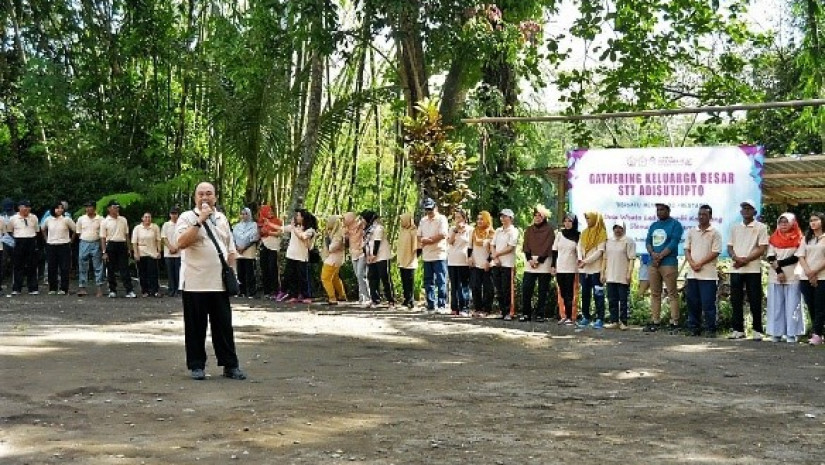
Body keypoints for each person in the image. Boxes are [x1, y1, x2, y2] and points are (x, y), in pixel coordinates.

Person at [176, 182, 245, 380]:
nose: (205, 197)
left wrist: (233, 276)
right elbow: (181, 243)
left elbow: (230, 249)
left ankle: (230, 365)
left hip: (219, 283)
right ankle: (197, 366)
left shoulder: (222, 218)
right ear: (195, 197)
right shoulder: (186, 218)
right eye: (201, 194)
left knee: (223, 326)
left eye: (209, 194)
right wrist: (200, 221)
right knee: (196, 327)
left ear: (215, 197)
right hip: (195, 282)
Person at [727, 199, 768, 340]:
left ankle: (757, 330)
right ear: (740, 211)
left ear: (754, 212)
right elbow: (730, 247)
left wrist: (745, 260)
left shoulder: (761, 227)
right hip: (736, 268)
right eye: (744, 208)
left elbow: (762, 248)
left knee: (755, 299)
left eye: (749, 208)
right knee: (736, 300)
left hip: (753, 269)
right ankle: (738, 329)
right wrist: (735, 257)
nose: (746, 210)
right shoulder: (734, 227)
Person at [644, 202, 684, 333]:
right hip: (653, 263)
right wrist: (652, 254)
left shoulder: (675, 225)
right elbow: (648, 242)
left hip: (668, 263)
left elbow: (673, 242)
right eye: (657, 210)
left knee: (672, 293)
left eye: (662, 210)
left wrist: (660, 256)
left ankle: (674, 321)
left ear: (668, 210)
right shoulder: (654, 225)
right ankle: (655, 321)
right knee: (655, 293)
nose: (659, 212)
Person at [765, 212, 805, 343]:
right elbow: (770, 256)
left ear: (793, 223)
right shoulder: (773, 238)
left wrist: (779, 264)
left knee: (793, 305)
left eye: (786, 222)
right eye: (781, 222)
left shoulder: (800, 238)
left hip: (793, 274)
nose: (783, 224)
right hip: (776, 275)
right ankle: (776, 333)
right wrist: (779, 271)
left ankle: (792, 334)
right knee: (776, 305)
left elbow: (797, 256)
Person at [684, 205, 722, 337]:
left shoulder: (715, 233)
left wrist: (700, 263)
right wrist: (692, 263)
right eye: (699, 214)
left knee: (708, 304)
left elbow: (715, 252)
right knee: (693, 302)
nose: (701, 217)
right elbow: (686, 250)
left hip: (708, 275)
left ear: (710, 217)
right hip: (693, 274)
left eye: (704, 214)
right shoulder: (691, 232)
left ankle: (711, 329)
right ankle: (694, 327)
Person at [521, 205, 554, 322]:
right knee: (526, 288)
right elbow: (526, 246)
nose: (537, 218)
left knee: (543, 290)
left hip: (544, 262)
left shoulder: (549, 229)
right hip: (530, 262)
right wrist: (530, 259)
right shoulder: (529, 229)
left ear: (544, 217)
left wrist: (539, 260)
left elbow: (549, 246)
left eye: (540, 216)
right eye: (535, 215)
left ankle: (540, 314)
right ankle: (526, 313)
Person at [797, 212, 825, 345]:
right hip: (805, 277)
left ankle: (817, 334)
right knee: (811, 305)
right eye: (811, 220)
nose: (813, 223)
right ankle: (818, 331)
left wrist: (815, 272)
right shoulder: (806, 238)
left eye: (816, 220)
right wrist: (809, 273)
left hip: (822, 277)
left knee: (820, 306)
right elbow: (801, 256)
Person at [602, 220, 635, 329]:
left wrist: (629, 273)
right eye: (616, 227)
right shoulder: (608, 241)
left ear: (624, 229)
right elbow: (605, 258)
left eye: (620, 228)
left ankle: (624, 322)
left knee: (623, 299)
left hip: (622, 275)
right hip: (610, 274)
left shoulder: (629, 241)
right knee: (612, 299)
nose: (618, 230)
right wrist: (603, 272)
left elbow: (631, 259)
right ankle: (614, 320)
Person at [418, 198, 449, 313]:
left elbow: (442, 234)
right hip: (427, 255)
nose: (429, 212)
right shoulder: (423, 220)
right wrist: (423, 240)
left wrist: (430, 240)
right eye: (427, 210)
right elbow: (419, 235)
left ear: (435, 207)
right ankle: (431, 305)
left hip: (439, 254)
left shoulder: (442, 219)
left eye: (430, 209)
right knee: (428, 281)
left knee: (441, 280)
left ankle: (442, 305)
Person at [577, 211, 607, 328]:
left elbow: (599, 252)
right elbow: (579, 246)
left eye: (589, 219)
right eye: (586, 219)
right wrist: (580, 259)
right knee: (585, 293)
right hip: (584, 270)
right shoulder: (584, 232)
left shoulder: (601, 233)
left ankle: (600, 318)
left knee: (598, 294)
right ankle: (586, 316)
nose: (587, 221)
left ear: (595, 219)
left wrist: (586, 261)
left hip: (596, 270)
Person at [101, 200, 135, 298]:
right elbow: (103, 237)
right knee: (110, 268)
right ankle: (112, 290)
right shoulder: (105, 221)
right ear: (109, 209)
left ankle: (129, 290)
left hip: (122, 244)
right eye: (114, 207)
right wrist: (104, 252)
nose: (116, 209)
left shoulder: (123, 219)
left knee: (124, 268)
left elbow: (127, 235)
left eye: (117, 207)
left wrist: (129, 248)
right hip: (111, 244)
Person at [491, 208, 520, 320]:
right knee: (498, 288)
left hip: (508, 264)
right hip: (497, 263)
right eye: (501, 216)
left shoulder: (514, 231)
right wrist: (495, 256)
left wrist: (497, 254)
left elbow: (510, 247)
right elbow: (492, 244)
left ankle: (509, 312)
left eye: (505, 216)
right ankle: (502, 311)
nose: (502, 218)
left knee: (507, 288)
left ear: (511, 218)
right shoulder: (498, 230)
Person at [282, 209, 316, 304]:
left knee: (303, 277)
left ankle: (307, 296)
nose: (297, 217)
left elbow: (303, 236)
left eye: (298, 215)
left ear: (303, 218)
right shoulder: (296, 227)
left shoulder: (310, 230)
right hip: (292, 255)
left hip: (302, 256)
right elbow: (281, 229)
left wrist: (293, 228)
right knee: (292, 276)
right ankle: (294, 295)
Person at [7, 200, 40, 295]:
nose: (26, 209)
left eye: (28, 207)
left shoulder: (33, 217)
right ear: (19, 208)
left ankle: (33, 288)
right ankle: (17, 288)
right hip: (19, 241)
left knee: (32, 265)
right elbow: (10, 230)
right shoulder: (13, 218)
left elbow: (37, 230)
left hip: (31, 240)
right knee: (18, 265)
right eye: (24, 207)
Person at [552, 213, 580, 326]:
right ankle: (564, 316)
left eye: (570, 221)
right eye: (566, 221)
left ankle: (570, 316)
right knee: (563, 292)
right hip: (560, 267)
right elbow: (554, 250)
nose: (567, 224)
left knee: (570, 293)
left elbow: (580, 252)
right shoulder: (559, 234)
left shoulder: (578, 235)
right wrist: (553, 266)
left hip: (571, 268)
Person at [42, 201, 76, 295]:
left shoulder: (66, 219)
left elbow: (75, 229)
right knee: (52, 267)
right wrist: (46, 239)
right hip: (51, 245)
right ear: (53, 209)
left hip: (64, 244)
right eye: (57, 208)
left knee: (64, 267)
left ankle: (64, 288)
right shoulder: (48, 219)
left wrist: (71, 240)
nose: (60, 210)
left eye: (61, 208)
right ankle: (52, 288)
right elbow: (43, 229)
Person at [363, 210, 395, 308]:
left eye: (363, 218)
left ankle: (391, 300)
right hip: (371, 257)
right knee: (372, 277)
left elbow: (377, 242)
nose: (362, 221)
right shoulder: (367, 230)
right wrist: (367, 255)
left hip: (382, 256)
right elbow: (365, 243)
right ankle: (375, 299)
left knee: (385, 277)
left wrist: (374, 255)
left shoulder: (378, 228)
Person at [468, 211, 495, 318]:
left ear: (487, 220)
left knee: (488, 288)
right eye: (478, 219)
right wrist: (469, 258)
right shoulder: (474, 232)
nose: (479, 221)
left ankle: (487, 309)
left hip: (487, 264)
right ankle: (477, 308)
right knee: (475, 287)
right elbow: (470, 247)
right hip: (475, 263)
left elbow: (493, 249)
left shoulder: (492, 233)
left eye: (482, 219)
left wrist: (488, 261)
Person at [76, 201, 105, 297]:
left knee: (98, 266)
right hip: (84, 242)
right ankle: (82, 287)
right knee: (82, 265)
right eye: (86, 207)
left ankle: (99, 288)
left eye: (90, 207)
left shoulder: (100, 219)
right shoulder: (81, 219)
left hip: (96, 242)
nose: (88, 209)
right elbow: (79, 232)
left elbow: (103, 233)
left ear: (94, 208)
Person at [447, 209, 472, 316]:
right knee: (454, 285)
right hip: (452, 259)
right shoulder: (452, 229)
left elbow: (471, 244)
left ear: (465, 218)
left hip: (464, 260)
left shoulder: (470, 230)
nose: (457, 220)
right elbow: (450, 242)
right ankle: (454, 307)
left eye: (459, 217)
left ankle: (465, 307)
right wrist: (456, 231)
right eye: (455, 218)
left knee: (464, 285)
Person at [343, 212, 370, 305]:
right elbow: (344, 239)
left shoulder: (360, 225)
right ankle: (361, 297)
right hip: (353, 253)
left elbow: (366, 228)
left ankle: (367, 297)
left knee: (360, 274)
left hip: (361, 252)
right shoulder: (346, 229)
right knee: (358, 276)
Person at [132, 212, 162, 297]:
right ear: (142, 218)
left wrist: (159, 251)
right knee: (142, 273)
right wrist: (136, 253)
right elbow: (134, 242)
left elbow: (158, 240)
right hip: (141, 252)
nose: (147, 219)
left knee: (153, 272)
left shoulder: (155, 227)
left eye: (149, 217)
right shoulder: (137, 228)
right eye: (145, 217)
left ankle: (154, 290)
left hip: (152, 252)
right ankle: (145, 291)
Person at [257, 205, 283, 300]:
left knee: (273, 268)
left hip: (273, 247)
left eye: (271, 210)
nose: (270, 212)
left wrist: (269, 232)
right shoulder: (260, 222)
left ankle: (275, 290)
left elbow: (279, 232)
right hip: (264, 245)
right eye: (268, 211)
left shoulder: (276, 221)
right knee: (265, 268)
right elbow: (259, 233)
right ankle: (266, 291)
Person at [232, 207, 259, 299]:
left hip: (249, 250)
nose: (244, 216)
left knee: (250, 271)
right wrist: (237, 247)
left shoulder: (253, 225)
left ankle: (251, 292)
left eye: (245, 214)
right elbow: (233, 238)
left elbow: (254, 237)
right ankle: (241, 291)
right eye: (242, 214)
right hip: (239, 251)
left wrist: (245, 247)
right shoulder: (237, 226)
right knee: (240, 272)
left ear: (249, 214)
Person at [320, 215, 347, 305]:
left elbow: (331, 248)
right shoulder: (337, 232)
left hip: (333, 259)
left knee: (325, 278)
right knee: (335, 277)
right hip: (338, 259)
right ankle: (342, 295)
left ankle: (332, 298)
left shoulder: (338, 234)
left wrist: (327, 238)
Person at [397, 213, 419, 309]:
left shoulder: (414, 231)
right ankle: (406, 299)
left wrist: (413, 257)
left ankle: (411, 300)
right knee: (404, 280)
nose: (401, 222)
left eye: (403, 220)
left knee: (410, 281)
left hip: (410, 260)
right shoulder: (402, 231)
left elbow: (417, 247)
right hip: (402, 259)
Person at [162, 206, 182, 297]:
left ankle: (178, 290)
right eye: (172, 213)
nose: (174, 215)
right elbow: (164, 237)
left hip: (179, 252)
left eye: (175, 213)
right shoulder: (166, 224)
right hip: (168, 253)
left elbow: (183, 237)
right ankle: (171, 290)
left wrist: (176, 248)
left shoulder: (181, 224)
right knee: (170, 273)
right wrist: (170, 247)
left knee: (178, 272)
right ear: (170, 214)